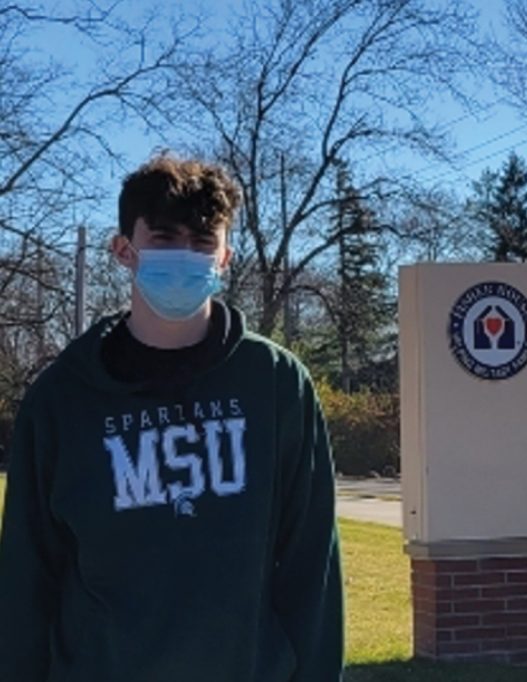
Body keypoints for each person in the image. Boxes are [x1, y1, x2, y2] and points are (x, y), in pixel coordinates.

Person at [0, 154, 343, 681]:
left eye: (203, 243)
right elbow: (26, 578)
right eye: (163, 238)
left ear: (226, 257)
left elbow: (311, 567)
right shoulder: (61, 399)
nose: (185, 256)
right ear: (124, 251)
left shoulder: (276, 385)